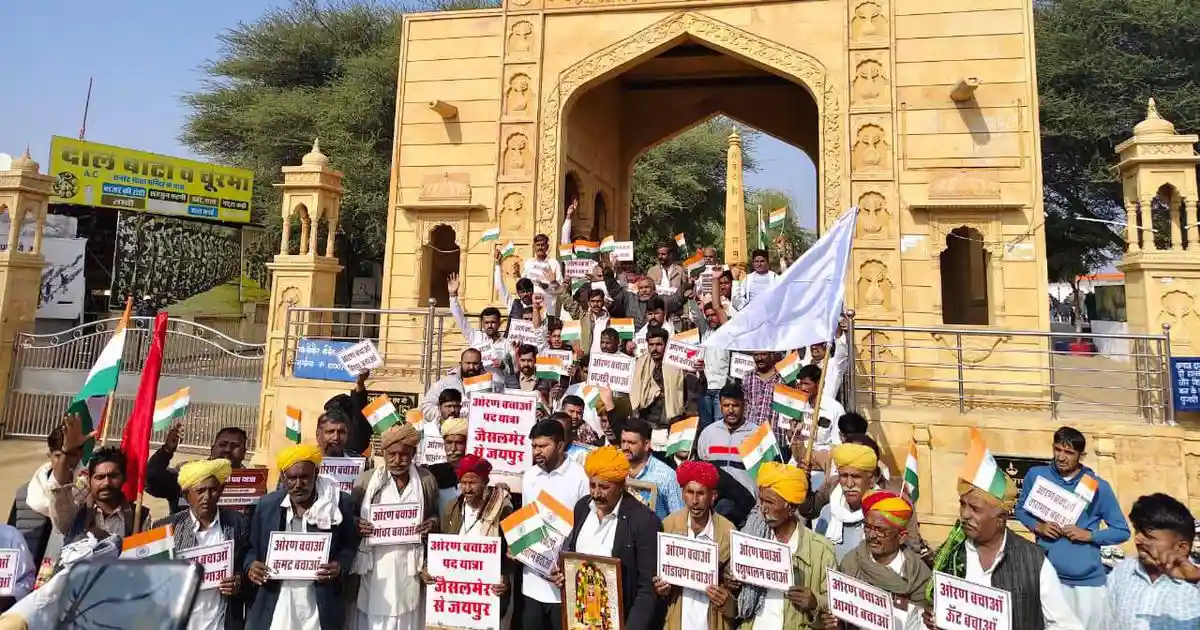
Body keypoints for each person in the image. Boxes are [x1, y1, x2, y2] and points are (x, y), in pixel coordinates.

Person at [925, 466, 1083, 629]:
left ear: (1001, 518)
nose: (965, 514)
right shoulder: (950, 553)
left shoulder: (1032, 561)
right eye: (963, 504)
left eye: (975, 509)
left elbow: (1066, 625)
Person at [1015, 427, 1129, 629]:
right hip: (1047, 579)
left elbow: (1121, 531)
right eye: (1057, 449)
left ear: (1081, 455)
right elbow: (1021, 510)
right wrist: (1038, 526)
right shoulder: (1036, 476)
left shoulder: (1098, 486)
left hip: (1086, 586)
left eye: (1068, 453)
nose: (1061, 457)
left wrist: (1089, 535)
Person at [245, 444, 358, 630]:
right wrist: (251, 567)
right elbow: (251, 548)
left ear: (317, 473)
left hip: (319, 603)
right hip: (278, 601)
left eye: (304, 477)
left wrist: (339, 567)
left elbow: (349, 546)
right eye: (292, 478)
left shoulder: (338, 503)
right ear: (283, 477)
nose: (298, 484)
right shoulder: (267, 506)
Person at [556, 446, 662, 629]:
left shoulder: (643, 521)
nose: (596, 494)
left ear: (621, 485)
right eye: (592, 485)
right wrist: (563, 576)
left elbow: (647, 589)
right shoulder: (582, 508)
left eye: (604, 487)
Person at [349, 425, 438, 630]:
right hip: (375, 566)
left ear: (413, 454)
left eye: (404, 455)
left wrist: (431, 523)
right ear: (384, 453)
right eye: (392, 455)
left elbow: (434, 513)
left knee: (409, 614)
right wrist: (357, 524)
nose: (397, 460)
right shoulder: (367, 480)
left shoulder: (425, 480)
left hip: (410, 566)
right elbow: (350, 518)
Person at [734, 462, 835, 630]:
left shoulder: (820, 551)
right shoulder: (749, 539)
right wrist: (732, 583)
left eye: (770, 502)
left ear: (790, 507)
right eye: (762, 500)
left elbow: (835, 605)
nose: (763, 508)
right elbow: (737, 604)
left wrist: (814, 602)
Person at [153, 459, 250, 630]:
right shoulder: (166, 528)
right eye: (200, 491)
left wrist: (239, 584)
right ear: (186, 495)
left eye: (213, 490)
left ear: (221, 491)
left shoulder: (238, 523)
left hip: (223, 623)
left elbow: (247, 566)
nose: (207, 497)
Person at [822, 490, 931, 630]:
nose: (872, 535)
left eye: (880, 530)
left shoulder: (918, 575)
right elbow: (843, 617)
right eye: (867, 527)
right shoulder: (851, 563)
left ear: (901, 537)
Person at [520, 420, 590, 630]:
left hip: (564, 583)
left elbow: (583, 529)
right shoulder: (530, 476)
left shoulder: (580, 477)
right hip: (532, 582)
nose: (537, 452)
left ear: (560, 446)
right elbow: (526, 520)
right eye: (534, 446)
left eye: (543, 446)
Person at [654, 461, 736, 630]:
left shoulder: (727, 532)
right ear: (682, 493)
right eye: (689, 492)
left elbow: (737, 594)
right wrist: (662, 590)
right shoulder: (668, 526)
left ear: (713, 496)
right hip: (678, 620)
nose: (695, 500)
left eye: (701, 493)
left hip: (713, 620)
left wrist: (726, 599)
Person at [1101, 493, 1200, 629]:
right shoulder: (1122, 573)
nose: (1137, 540)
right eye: (1137, 531)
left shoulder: (1195, 585)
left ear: (1181, 548)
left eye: (1149, 536)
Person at [47, 415, 148, 543]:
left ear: (124, 477)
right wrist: (66, 451)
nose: (106, 483)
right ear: (89, 480)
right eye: (99, 477)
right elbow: (58, 489)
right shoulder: (76, 514)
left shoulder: (140, 517)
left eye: (113, 476)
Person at [434, 455, 514, 615]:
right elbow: (440, 545)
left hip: (488, 589)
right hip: (458, 588)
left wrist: (504, 578)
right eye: (464, 483)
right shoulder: (452, 508)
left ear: (485, 482)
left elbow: (510, 552)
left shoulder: (502, 508)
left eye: (473, 483)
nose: (467, 489)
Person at [147, 425, 248, 514]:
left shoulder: (254, 484)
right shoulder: (187, 472)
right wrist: (166, 450)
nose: (227, 449)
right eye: (223, 444)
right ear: (212, 448)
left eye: (235, 446)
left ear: (244, 452)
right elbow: (151, 481)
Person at [813, 442, 878, 561]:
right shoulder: (828, 512)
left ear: (871, 479)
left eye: (856, 476)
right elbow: (817, 557)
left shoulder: (883, 515)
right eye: (844, 476)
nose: (849, 484)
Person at [698, 385, 760, 498]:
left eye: (735, 405)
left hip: (747, 500)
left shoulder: (757, 433)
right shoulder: (708, 433)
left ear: (744, 406)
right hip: (716, 501)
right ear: (720, 406)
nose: (730, 410)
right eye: (726, 405)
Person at [621, 418, 683, 520]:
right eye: (623, 441)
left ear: (646, 445)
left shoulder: (667, 476)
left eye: (631, 443)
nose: (625, 447)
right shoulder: (615, 469)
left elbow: (678, 518)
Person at [446, 272, 511, 370]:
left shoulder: (506, 343)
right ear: (482, 323)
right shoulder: (475, 337)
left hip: (498, 383)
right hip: (477, 382)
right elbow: (459, 318)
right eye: (486, 323)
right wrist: (453, 295)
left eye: (493, 322)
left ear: (499, 323)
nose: (489, 325)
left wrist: (502, 366)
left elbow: (512, 369)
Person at [420, 348, 501, 420]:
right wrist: (446, 415)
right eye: (468, 363)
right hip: (452, 432)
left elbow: (500, 410)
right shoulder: (445, 383)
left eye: (475, 363)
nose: (471, 367)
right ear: (460, 363)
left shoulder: (492, 385)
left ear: (481, 364)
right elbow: (426, 407)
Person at [631, 327, 686, 428]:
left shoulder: (677, 365)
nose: (654, 349)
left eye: (659, 344)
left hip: (670, 418)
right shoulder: (641, 363)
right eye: (651, 345)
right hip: (647, 417)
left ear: (666, 345)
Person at [692, 300, 730, 434]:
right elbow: (696, 315)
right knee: (707, 427)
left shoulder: (727, 333)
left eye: (713, 315)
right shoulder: (705, 333)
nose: (710, 318)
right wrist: (692, 299)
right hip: (705, 387)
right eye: (707, 315)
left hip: (721, 388)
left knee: (720, 425)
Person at [324, 370, 373, 455]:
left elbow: (358, 408)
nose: (335, 437)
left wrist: (360, 383)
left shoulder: (355, 434)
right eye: (331, 431)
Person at [428, 416, 468, 509]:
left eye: (459, 443)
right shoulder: (432, 473)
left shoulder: (477, 473)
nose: (453, 449)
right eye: (449, 443)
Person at [742, 352, 781, 431]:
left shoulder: (782, 378)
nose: (759, 358)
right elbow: (744, 406)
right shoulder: (747, 376)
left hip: (774, 433)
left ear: (771, 354)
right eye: (756, 355)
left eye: (763, 354)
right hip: (751, 434)